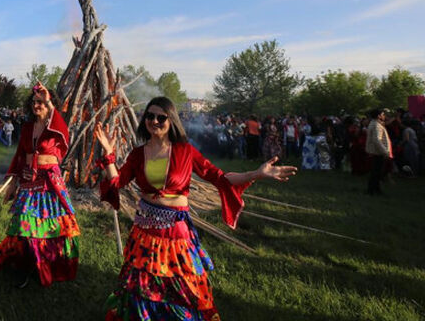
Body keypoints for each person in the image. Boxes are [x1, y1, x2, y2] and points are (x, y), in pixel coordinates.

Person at [94, 96, 297, 320]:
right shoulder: (137, 154)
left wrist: (256, 174)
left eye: (161, 117)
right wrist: (108, 155)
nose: (154, 121)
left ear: (171, 120)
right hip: (145, 231)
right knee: (143, 282)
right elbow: (117, 182)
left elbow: (220, 178)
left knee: (183, 283)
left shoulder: (185, 151)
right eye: (150, 116)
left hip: (176, 231)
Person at [0, 84, 80, 287]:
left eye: (41, 102)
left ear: (49, 104)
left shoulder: (55, 126)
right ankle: (26, 266)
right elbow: (20, 155)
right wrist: (13, 182)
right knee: (24, 222)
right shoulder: (28, 127)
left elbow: (61, 128)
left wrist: (48, 101)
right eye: (34, 102)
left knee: (51, 224)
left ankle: (47, 263)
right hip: (29, 179)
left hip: (49, 182)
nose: (37, 105)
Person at [366, 108, 392, 195]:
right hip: (378, 152)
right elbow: (377, 140)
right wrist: (385, 151)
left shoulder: (374, 123)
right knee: (377, 172)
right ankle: (373, 190)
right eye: (383, 114)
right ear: (378, 116)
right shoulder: (377, 125)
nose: (384, 116)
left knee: (376, 171)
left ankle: (374, 189)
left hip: (376, 151)